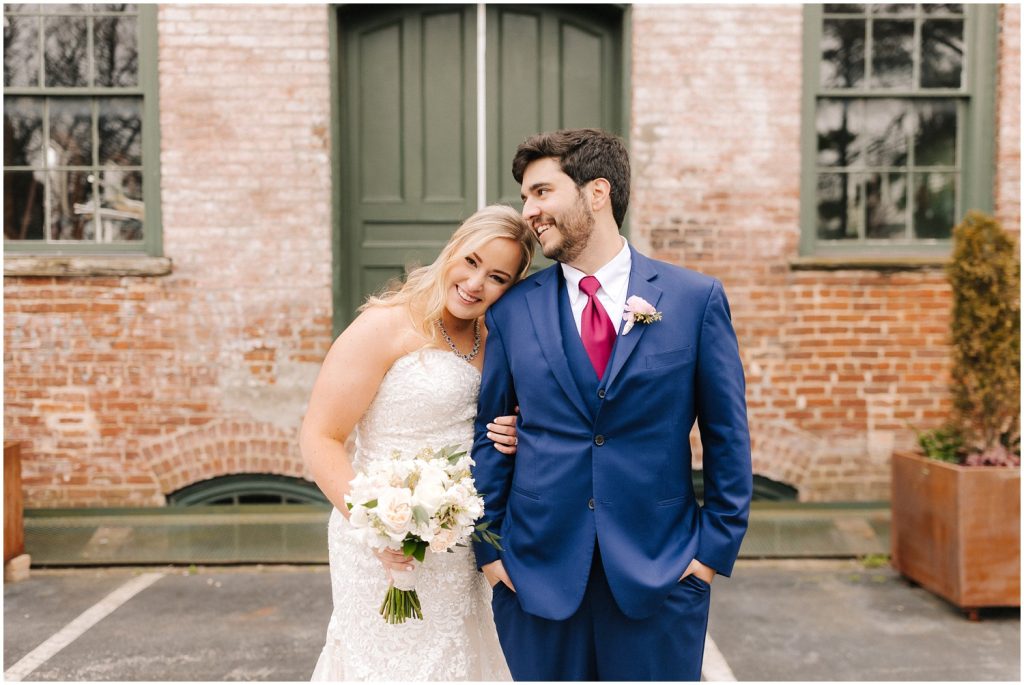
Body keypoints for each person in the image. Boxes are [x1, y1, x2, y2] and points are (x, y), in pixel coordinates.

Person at [471, 129, 754, 681]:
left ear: (596, 191)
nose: (529, 211)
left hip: (663, 572)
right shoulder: (512, 310)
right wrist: (491, 552)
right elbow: (491, 432)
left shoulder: (695, 300)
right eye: (526, 197)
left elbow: (728, 436)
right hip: (536, 574)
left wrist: (710, 556)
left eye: (542, 192)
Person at [302, 204, 534, 681]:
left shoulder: (497, 340)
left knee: (456, 659)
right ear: (452, 251)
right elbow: (321, 436)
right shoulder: (385, 325)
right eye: (470, 262)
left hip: (457, 539)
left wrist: (515, 433)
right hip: (375, 535)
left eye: (496, 277)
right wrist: (376, 525)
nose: (475, 284)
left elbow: (491, 424)